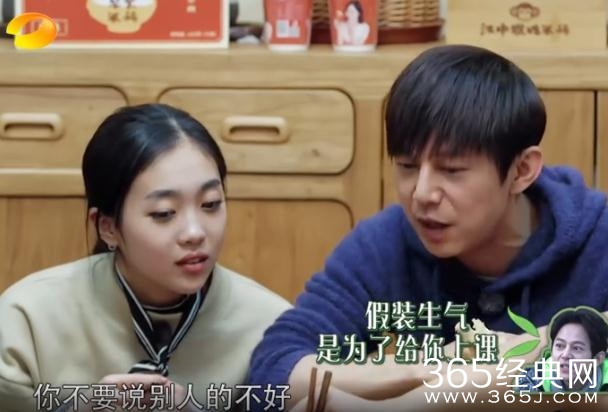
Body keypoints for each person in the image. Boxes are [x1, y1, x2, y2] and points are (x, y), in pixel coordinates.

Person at [247, 44, 608, 410]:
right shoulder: (382, 244)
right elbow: (274, 369)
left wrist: (432, 397)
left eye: (451, 170)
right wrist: (410, 371)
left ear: (521, 171)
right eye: (407, 166)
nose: (421, 194)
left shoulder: (599, 238)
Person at [0, 103, 291, 412]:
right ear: (108, 227)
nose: (195, 232)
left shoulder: (272, 327)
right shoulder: (26, 321)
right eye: (164, 213)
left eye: (210, 204)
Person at [518, 307, 608, 393]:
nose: (565, 355)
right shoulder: (531, 381)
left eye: (576, 348)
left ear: (598, 359)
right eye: (560, 345)